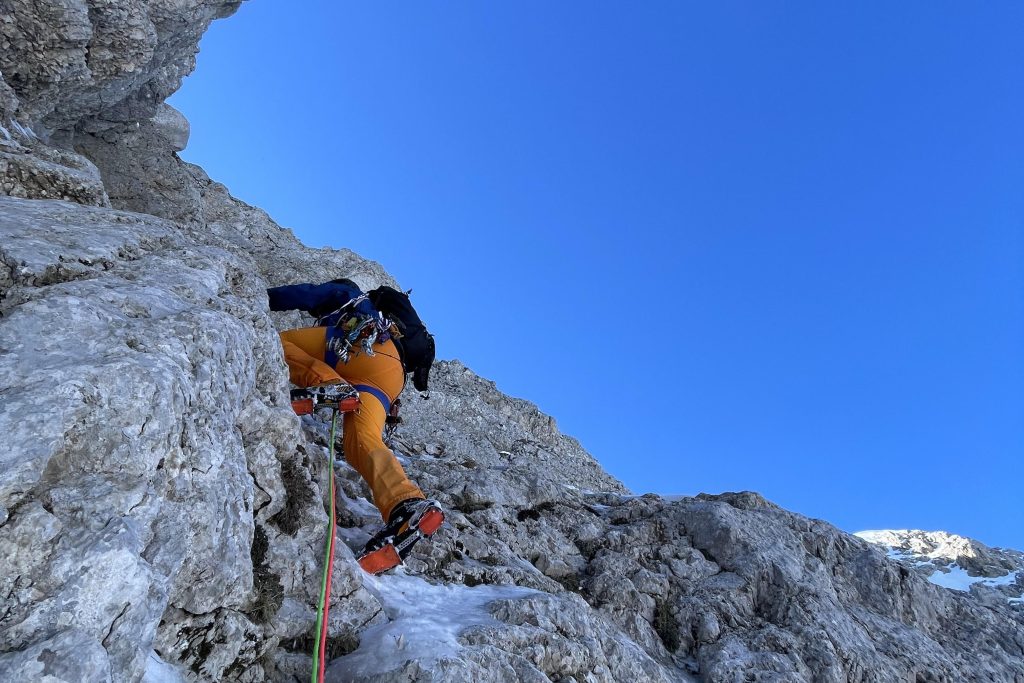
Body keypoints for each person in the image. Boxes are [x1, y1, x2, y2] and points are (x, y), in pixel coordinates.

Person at [268, 279, 441, 562]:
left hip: (361, 345)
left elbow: (306, 294)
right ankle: (406, 505)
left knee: (275, 341)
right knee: (362, 442)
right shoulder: (400, 331)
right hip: (390, 380)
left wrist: (260, 297)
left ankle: (329, 383)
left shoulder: (350, 294)